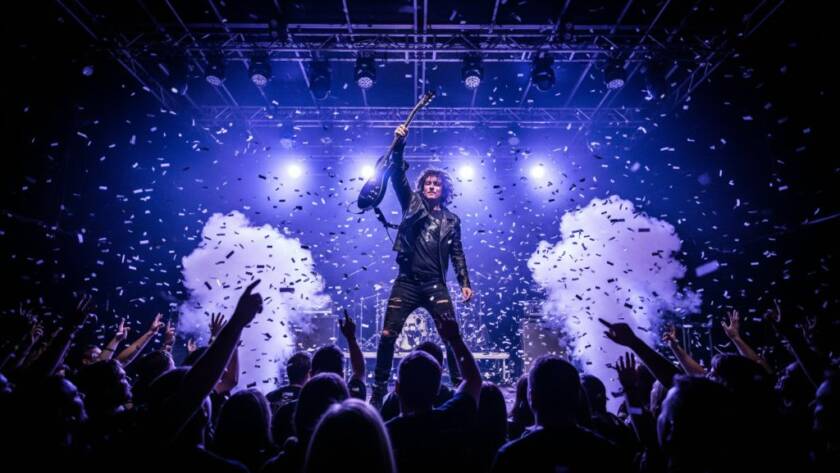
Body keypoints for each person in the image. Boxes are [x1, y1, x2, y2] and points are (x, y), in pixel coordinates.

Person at [371, 124, 474, 406]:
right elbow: (398, 178)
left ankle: (458, 386)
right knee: (387, 334)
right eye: (427, 183)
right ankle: (379, 388)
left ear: (444, 190)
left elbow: (457, 253)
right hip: (406, 282)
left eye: (436, 183)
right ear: (422, 187)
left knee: (452, 337)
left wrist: (464, 282)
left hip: (435, 284)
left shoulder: (452, 220)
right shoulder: (412, 203)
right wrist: (400, 146)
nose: (431, 186)